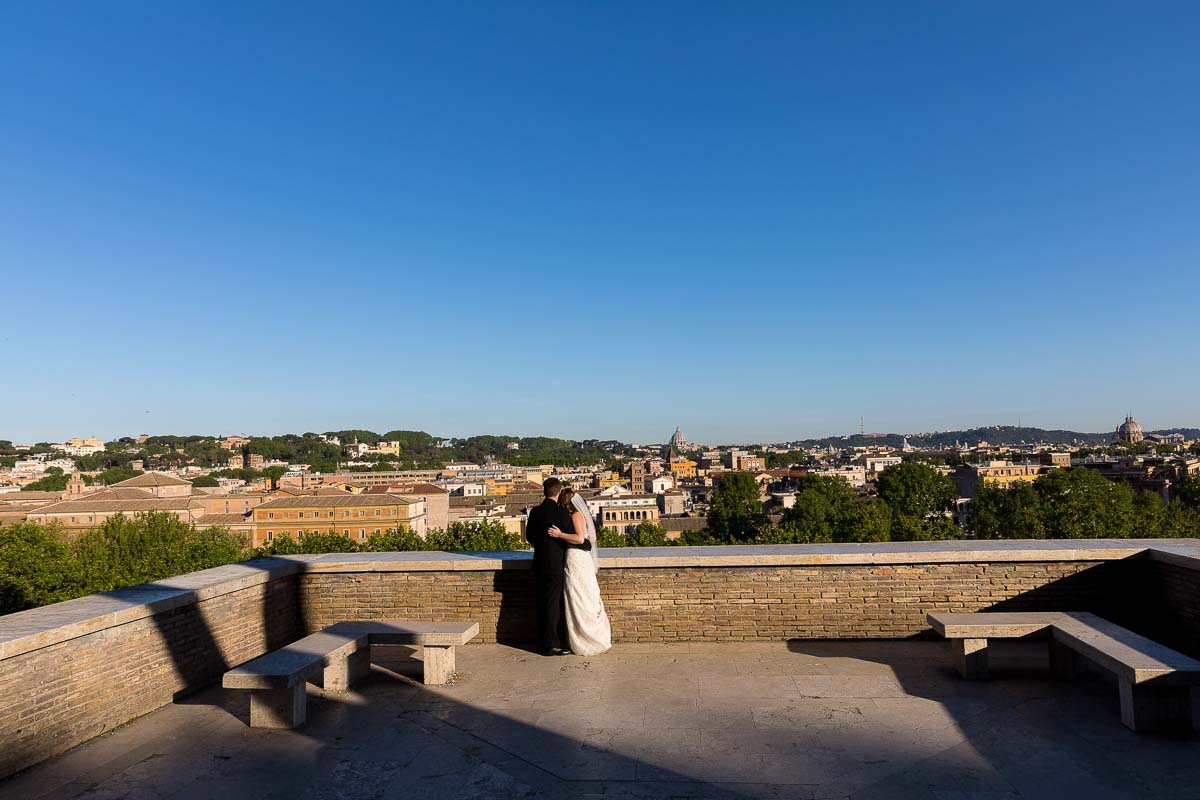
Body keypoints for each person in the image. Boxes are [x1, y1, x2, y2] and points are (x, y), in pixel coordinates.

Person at [524, 478, 590, 655]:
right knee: (553, 605)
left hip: (538, 563)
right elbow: (576, 538)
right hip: (555, 565)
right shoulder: (561, 513)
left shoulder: (535, 512)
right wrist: (586, 545)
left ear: (544, 492)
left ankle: (542, 641)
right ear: (559, 491)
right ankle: (551, 644)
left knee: (541, 603)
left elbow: (529, 537)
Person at [548, 487, 612, 656]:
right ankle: (584, 638)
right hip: (578, 559)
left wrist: (560, 535)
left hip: (576, 557)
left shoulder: (576, 515)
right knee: (579, 597)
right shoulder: (577, 515)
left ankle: (584, 639)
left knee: (579, 596)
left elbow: (579, 538)